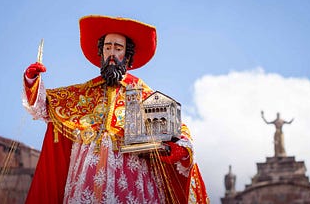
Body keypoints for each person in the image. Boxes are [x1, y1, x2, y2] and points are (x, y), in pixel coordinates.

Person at [23, 15, 209, 203]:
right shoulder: (83, 93)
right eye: (107, 47)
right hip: (86, 184)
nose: (111, 53)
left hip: (131, 183)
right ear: (101, 52)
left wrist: (178, 149)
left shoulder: (143, 94)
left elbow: (181, 134)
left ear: (127, 55)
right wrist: (32, 81)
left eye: (118, 48)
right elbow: (44, 107)